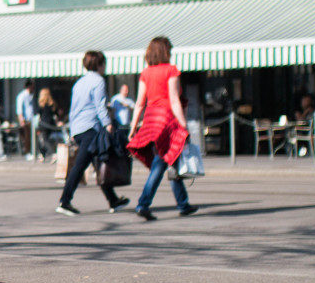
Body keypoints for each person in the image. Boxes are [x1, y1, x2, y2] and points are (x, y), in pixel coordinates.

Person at [127, 36, 197, 221]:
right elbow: (174, 100)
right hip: (167, 120)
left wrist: (133, 128)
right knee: (161, 161)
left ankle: (183, 204)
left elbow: (140, 103)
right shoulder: (171, 70)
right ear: (166, 51)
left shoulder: (146, 73)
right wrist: (184, 126)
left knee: (171, 159)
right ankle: (143, 203)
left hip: (151, 120)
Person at [56, 51, 128, 216]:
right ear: (100, 65)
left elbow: (73, 108)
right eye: (104, 64)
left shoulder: (79, 83)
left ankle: (113, 200)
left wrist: (73, 129)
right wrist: (108, 124)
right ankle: (65, 201)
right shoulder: (98, 81)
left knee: (98, 161)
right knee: (81, 165)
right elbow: (100, 106)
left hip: (79, 128)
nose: (105, 68)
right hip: (90, 127)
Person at [36, 88, 61, 162]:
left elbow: (39, 115)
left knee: (44, 140)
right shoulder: (52, 104)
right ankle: (42, 155)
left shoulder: (42, 105)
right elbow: (55, 115)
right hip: (50, 124)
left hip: (44, 124)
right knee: (44, 139)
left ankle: (53, 154)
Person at [16, 81, 35, 160]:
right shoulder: (22, 96)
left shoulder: (31, 95)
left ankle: (31, 151)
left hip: (31, 119)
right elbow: (19, 109)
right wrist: (21, 120)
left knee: (31, 136)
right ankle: (27, 153)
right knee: (26, 137)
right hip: (25, 119)